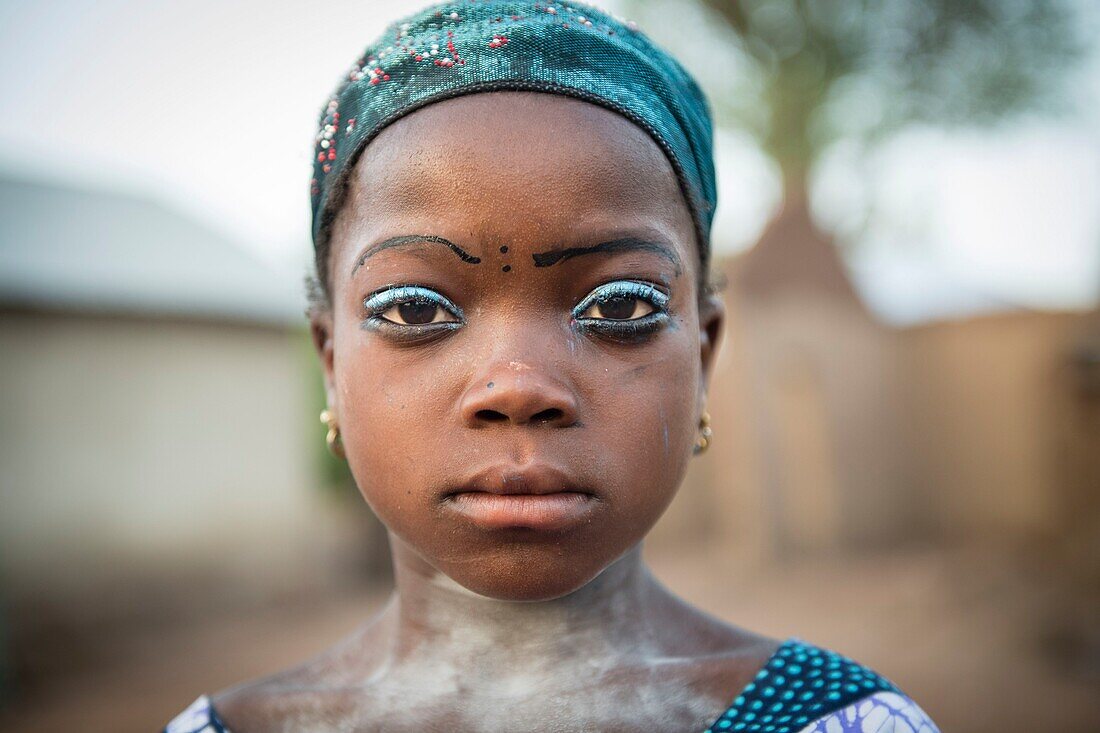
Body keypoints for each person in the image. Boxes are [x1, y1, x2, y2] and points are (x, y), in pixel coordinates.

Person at [164, 1, 940, 731]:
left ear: (704, 354)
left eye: (621, 308)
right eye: (414, 309)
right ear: (331, 361)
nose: (518, 386)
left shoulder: (838, 720)